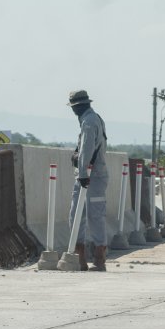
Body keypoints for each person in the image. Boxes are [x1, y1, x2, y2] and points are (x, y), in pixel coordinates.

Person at [68, 89, 109, 271]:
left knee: (87, 215)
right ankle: (86, 259)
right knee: (86, 215)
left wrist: (83, 173)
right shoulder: (94, 118)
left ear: (78, 107)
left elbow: (87, 149)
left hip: (91, 175)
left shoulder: (89, 122)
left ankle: (93, 259)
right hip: (94, 174)